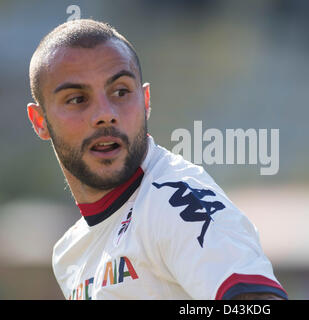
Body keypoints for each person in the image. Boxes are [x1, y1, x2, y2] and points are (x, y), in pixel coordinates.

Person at [26, 19, 287, 300]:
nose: (105, 113)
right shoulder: (69, 253)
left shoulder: (177, 201)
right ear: (40, 121)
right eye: (77, 99)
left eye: (121, 92)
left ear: (146, 100)